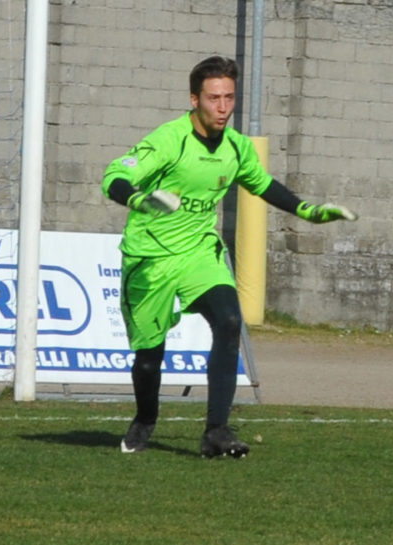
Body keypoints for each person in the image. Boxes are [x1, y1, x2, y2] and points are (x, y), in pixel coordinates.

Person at [102, 55, 356, 458]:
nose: (222, 108)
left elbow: (263, 184)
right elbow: (114, 176)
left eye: (229, 98)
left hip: (200, 253)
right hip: (150, 259)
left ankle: (216, 431)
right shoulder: (169, 140)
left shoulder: (235, 148)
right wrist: (141, 199)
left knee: (230, 319)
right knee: (149, 358)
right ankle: (145, 418)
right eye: (213, 98)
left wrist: (308, 211)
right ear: (194, 100)